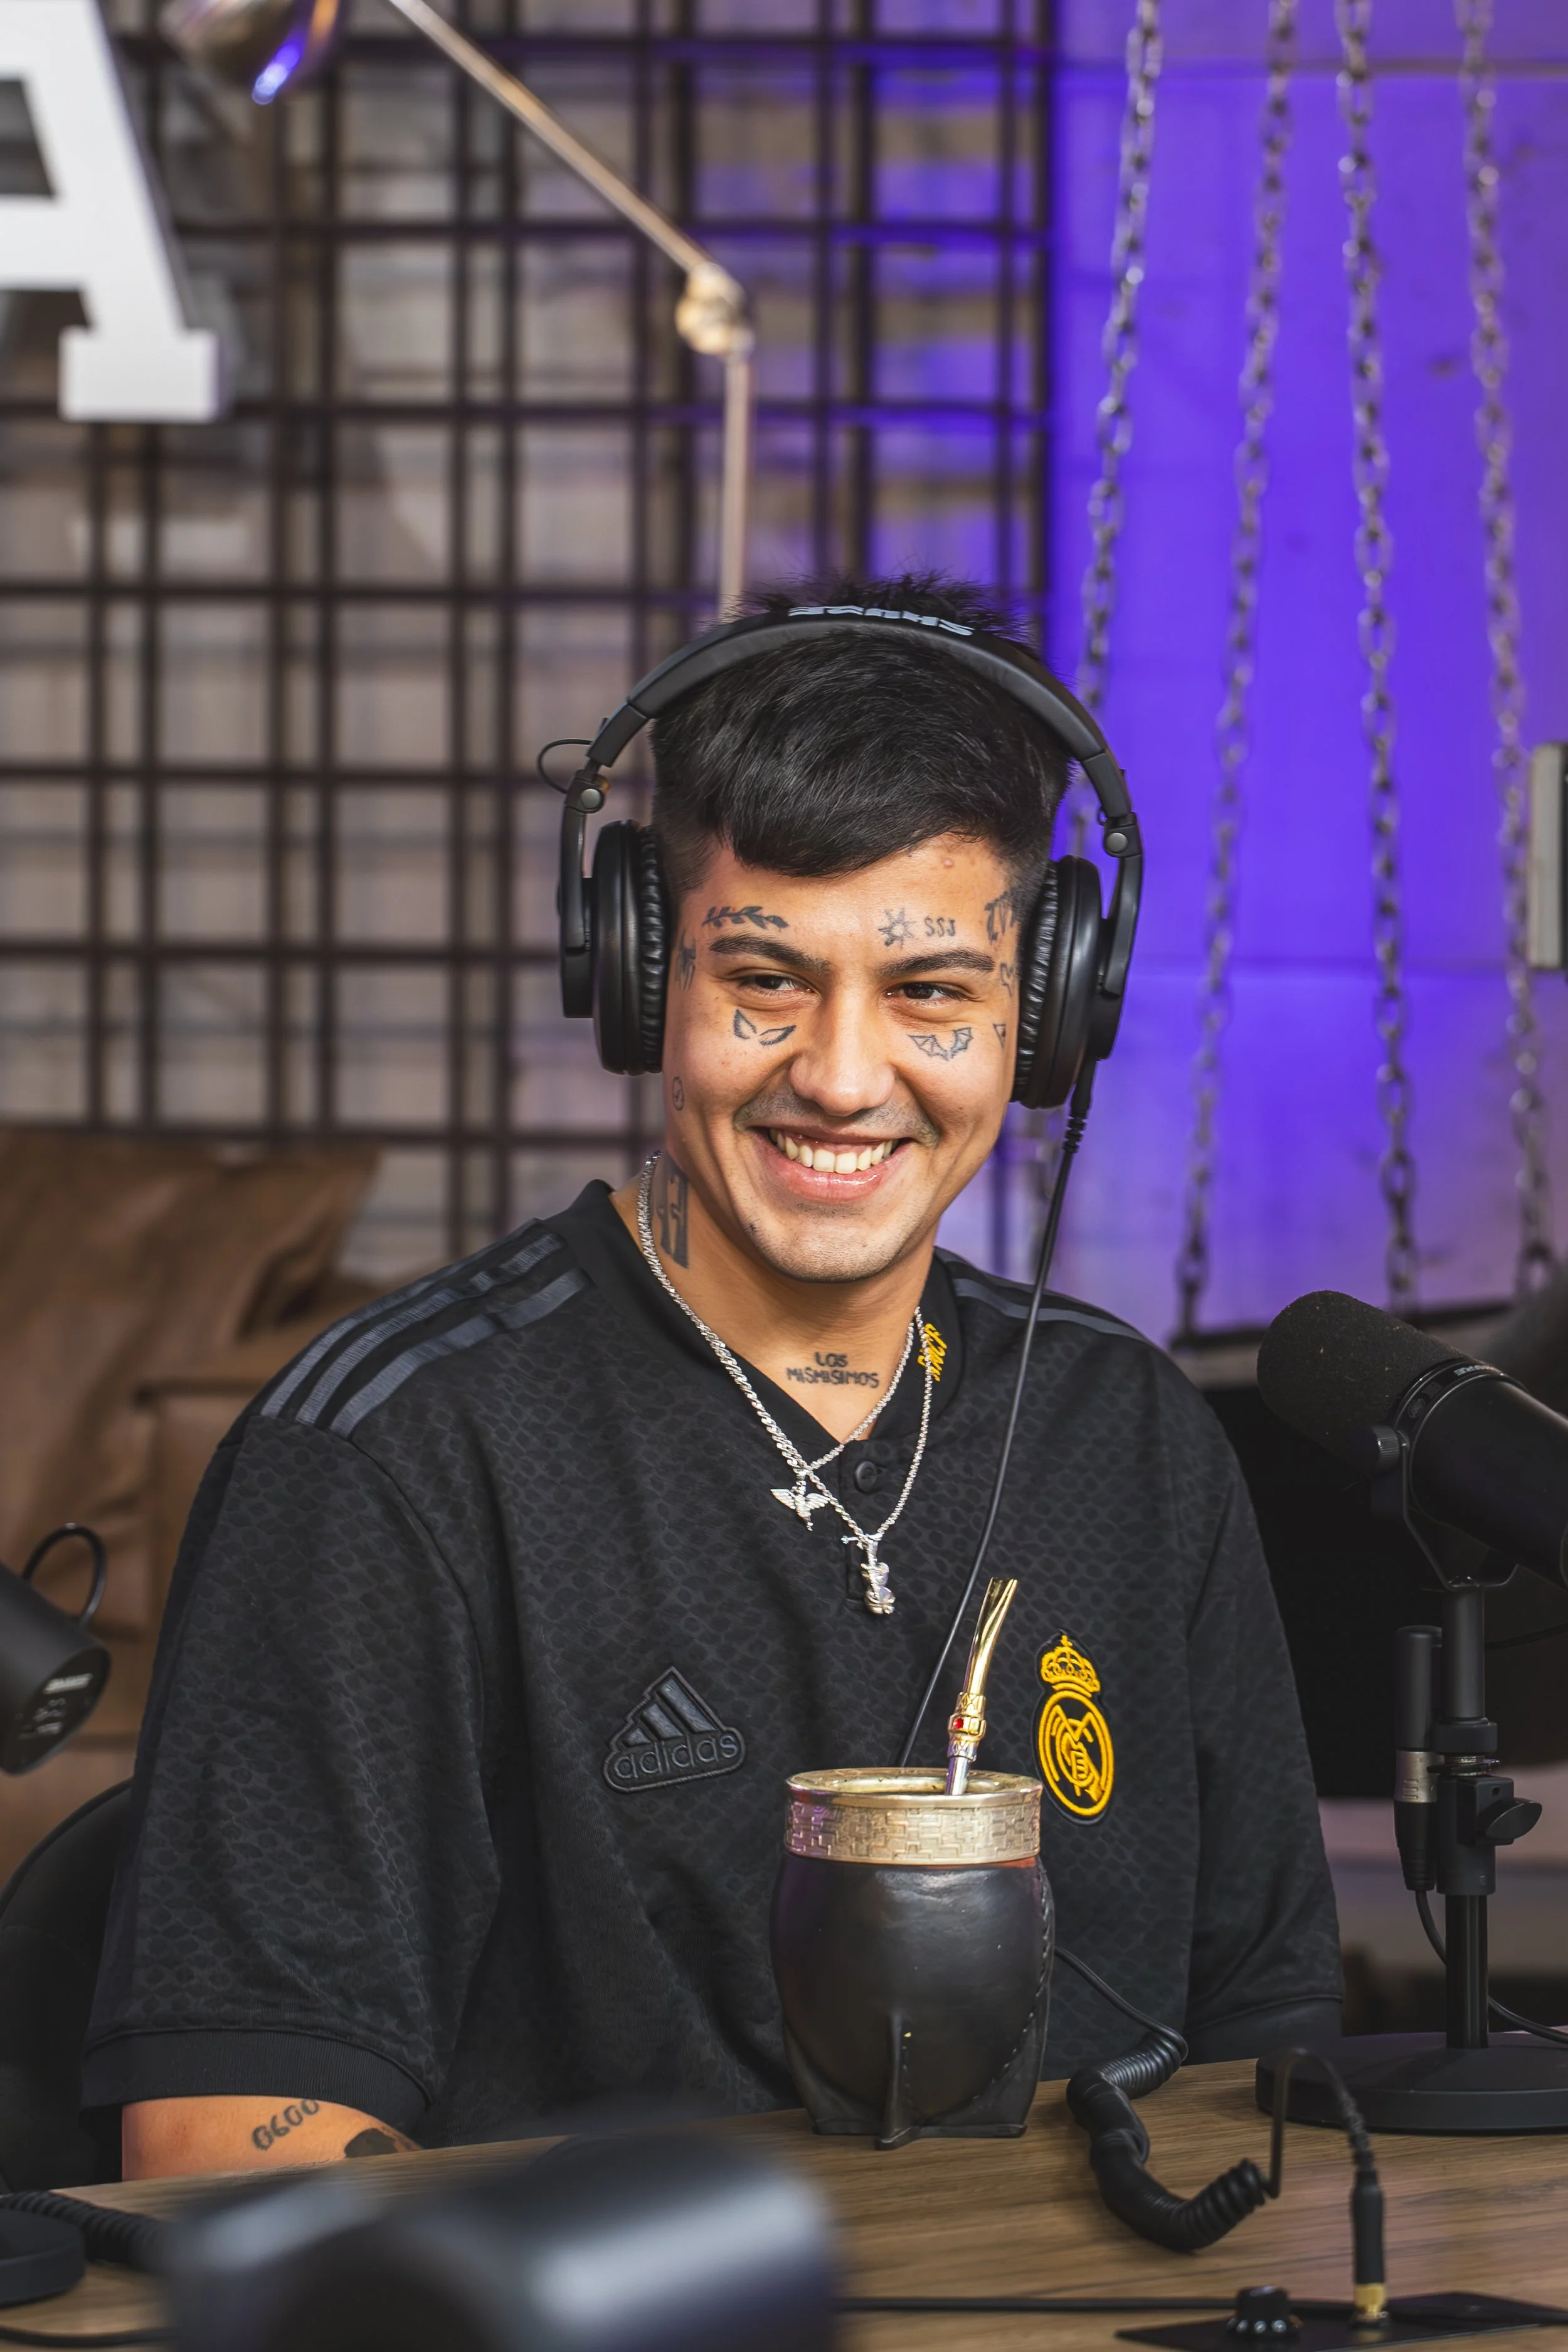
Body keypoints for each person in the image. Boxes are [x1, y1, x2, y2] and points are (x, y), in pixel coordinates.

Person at [87, 575, 1340, 2179]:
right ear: (634, 977)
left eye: (929, 991)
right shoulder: (390, 1458)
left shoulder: (1131, 1437)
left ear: (1042, 1018)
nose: (836, 1073)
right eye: (762, 978)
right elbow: (222, 2151)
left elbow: (1271, 2055)